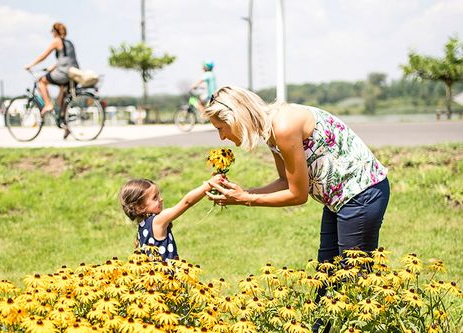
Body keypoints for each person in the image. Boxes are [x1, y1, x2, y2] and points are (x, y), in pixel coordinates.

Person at [204, 86, 390, 330]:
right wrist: (243, 192)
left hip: (361, 194)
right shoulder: (270, 129)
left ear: (235, 118)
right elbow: (286, 181)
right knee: (326, 279)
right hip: (338, 200)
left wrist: (245, 199)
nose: (222, 137)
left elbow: (297, 195)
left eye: (221, 128)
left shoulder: (283, 126)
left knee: (352, 284)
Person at [119, 177, 219, 261]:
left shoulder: (143, 224)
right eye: (155, 198)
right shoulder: (158, 221)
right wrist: (209, 185)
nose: (161, 199)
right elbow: (187, 202)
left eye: (159, 195)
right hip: (167, 279)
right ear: (140, 207)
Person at [24, 22, 79, 138]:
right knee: (61, 101)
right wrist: (52, 67)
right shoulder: (69, 43)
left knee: (41, 81)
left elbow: (43, 56)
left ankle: (48, 104)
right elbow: (65, 59)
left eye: (52, 31)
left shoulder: (57, 41)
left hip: (64, 74)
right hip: (73, 74)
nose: (51, 33)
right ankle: (66, 126)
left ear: (55, 31)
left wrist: (31, 65)